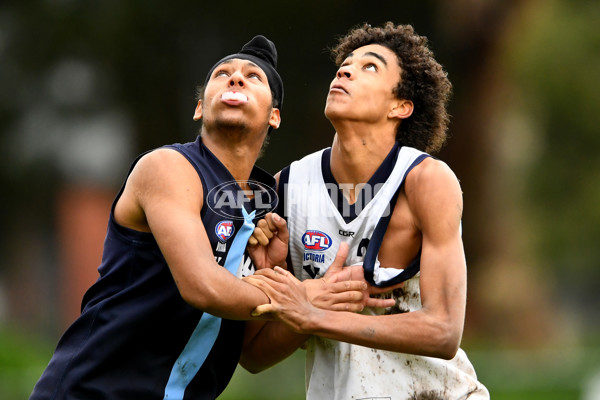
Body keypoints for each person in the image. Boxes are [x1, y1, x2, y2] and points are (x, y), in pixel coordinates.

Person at [29, 35, 381, 400]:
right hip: (91, 391)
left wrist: (316, 304)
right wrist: (303, 293)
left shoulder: (266, 209)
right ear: (200, 108)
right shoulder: (168, 167)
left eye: (253, 76)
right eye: (223, 73)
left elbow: (255, 355)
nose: (236, 78)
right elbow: (204, 287)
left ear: (273, 116)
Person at [242, 23, 490, 399]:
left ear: (400, 106)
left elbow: (443, 332)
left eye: (369, 67)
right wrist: (308, 301)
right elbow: (254, 356)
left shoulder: (426, 181)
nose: (344, 70)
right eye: (345, 64)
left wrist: (318, 315)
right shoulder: (286, 188)